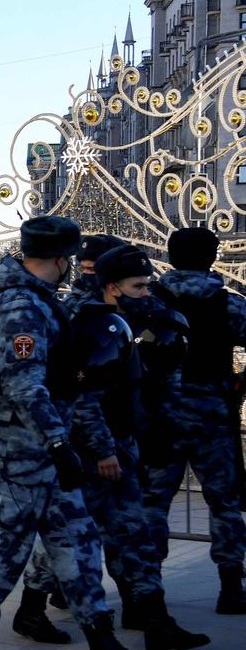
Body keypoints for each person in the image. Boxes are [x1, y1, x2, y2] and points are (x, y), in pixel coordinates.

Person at [18, 245, 209, 650]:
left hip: (121, 445)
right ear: (111, 287)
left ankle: (155, 621)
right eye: (138, 286)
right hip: (89, 453)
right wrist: (103, 450)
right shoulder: (87, 323)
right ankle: (32, 609)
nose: (147, 292)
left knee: (134, 535)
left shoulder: (127, 319)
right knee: (66, 543)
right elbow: (83, 398)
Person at [0, 217, 123, 650]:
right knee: (6, 547)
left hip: (47, 450)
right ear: (60, 259)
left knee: (78, 540)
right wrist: (57, 442)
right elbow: (22, 386)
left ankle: (100, 633)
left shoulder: (38, 299)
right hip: (21, 451)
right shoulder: (21, 305)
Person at [145, 227, 246, 615]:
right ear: (212, 257)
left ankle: (147, 588)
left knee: (154, 502)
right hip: (212, 418)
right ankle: (231, 586)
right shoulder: (228, 305)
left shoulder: (149, 302)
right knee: (224, 503)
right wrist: (239, 382)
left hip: (161, 418)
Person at [63, 234, 125, 316]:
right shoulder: (74, 302)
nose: (85, 273)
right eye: (83, 268)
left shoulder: (133, 301)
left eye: (91, 269)